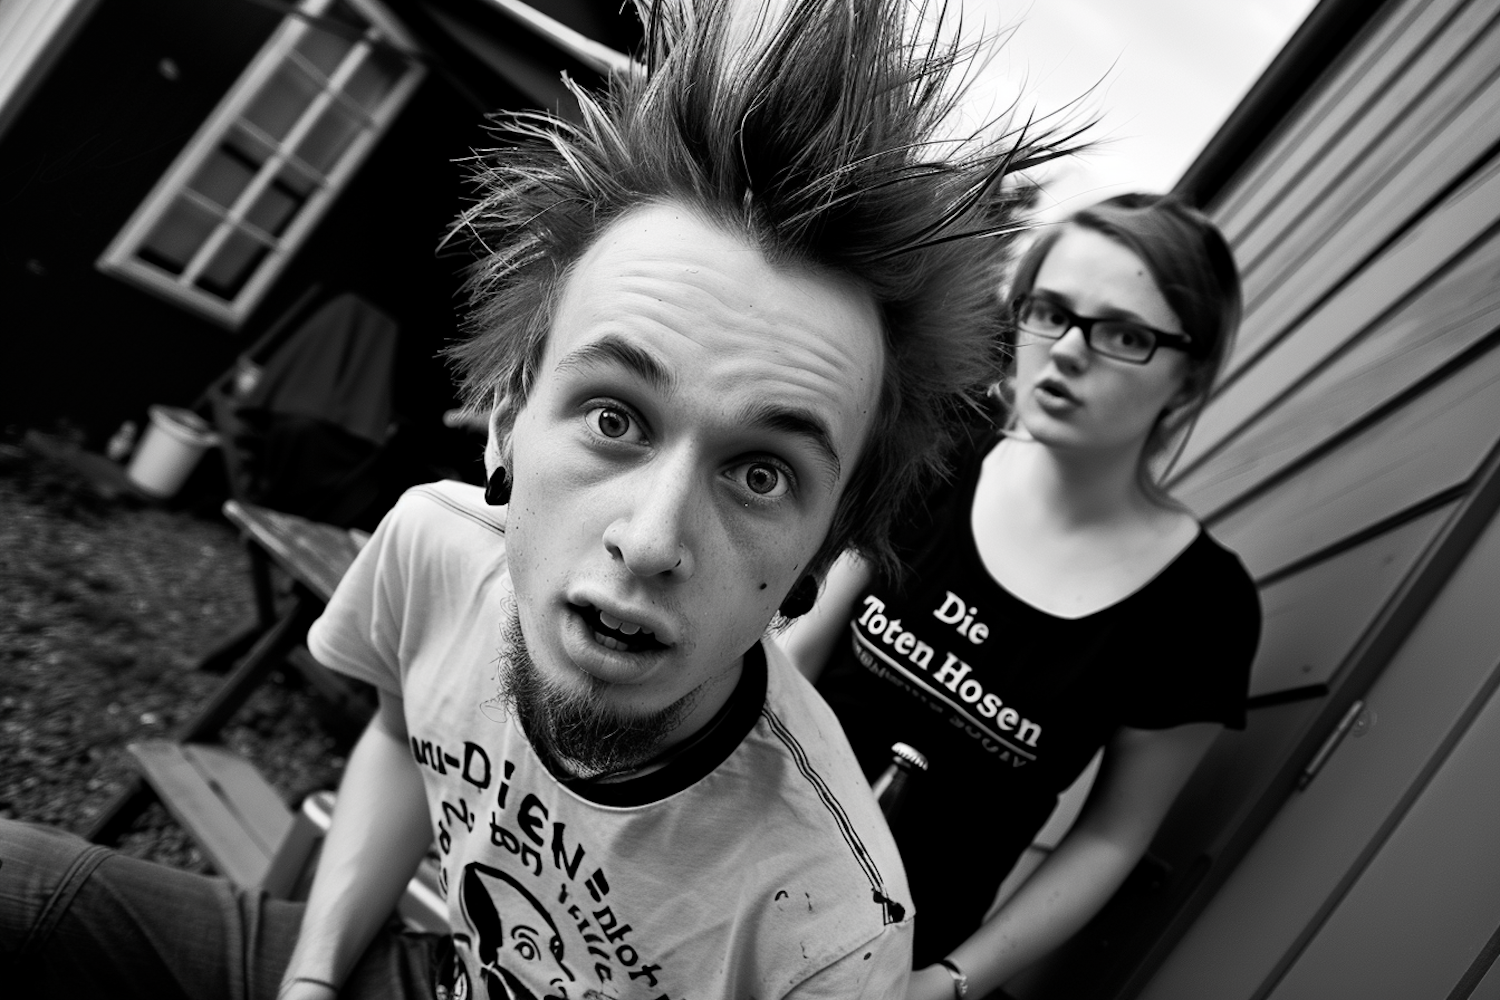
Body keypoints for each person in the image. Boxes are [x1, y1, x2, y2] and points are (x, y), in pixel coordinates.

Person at [0, 1, 1077, 998]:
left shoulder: (830, 927)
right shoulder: (434, 546)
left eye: (761, 473)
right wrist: (314, 978)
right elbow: (401, 737)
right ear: (507, 418)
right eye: (614, 416)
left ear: (822, 547)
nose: (650, 540)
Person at [779, 193, 1262, 1000]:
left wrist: (951, 982)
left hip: (887, 964)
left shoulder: (1202, 609)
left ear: (1189, 374)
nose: (1067, 351)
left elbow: (1111, 835)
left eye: (1124, 335)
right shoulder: (941, 444)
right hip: (739, 854)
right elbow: (802, 647)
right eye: (1051, 312)